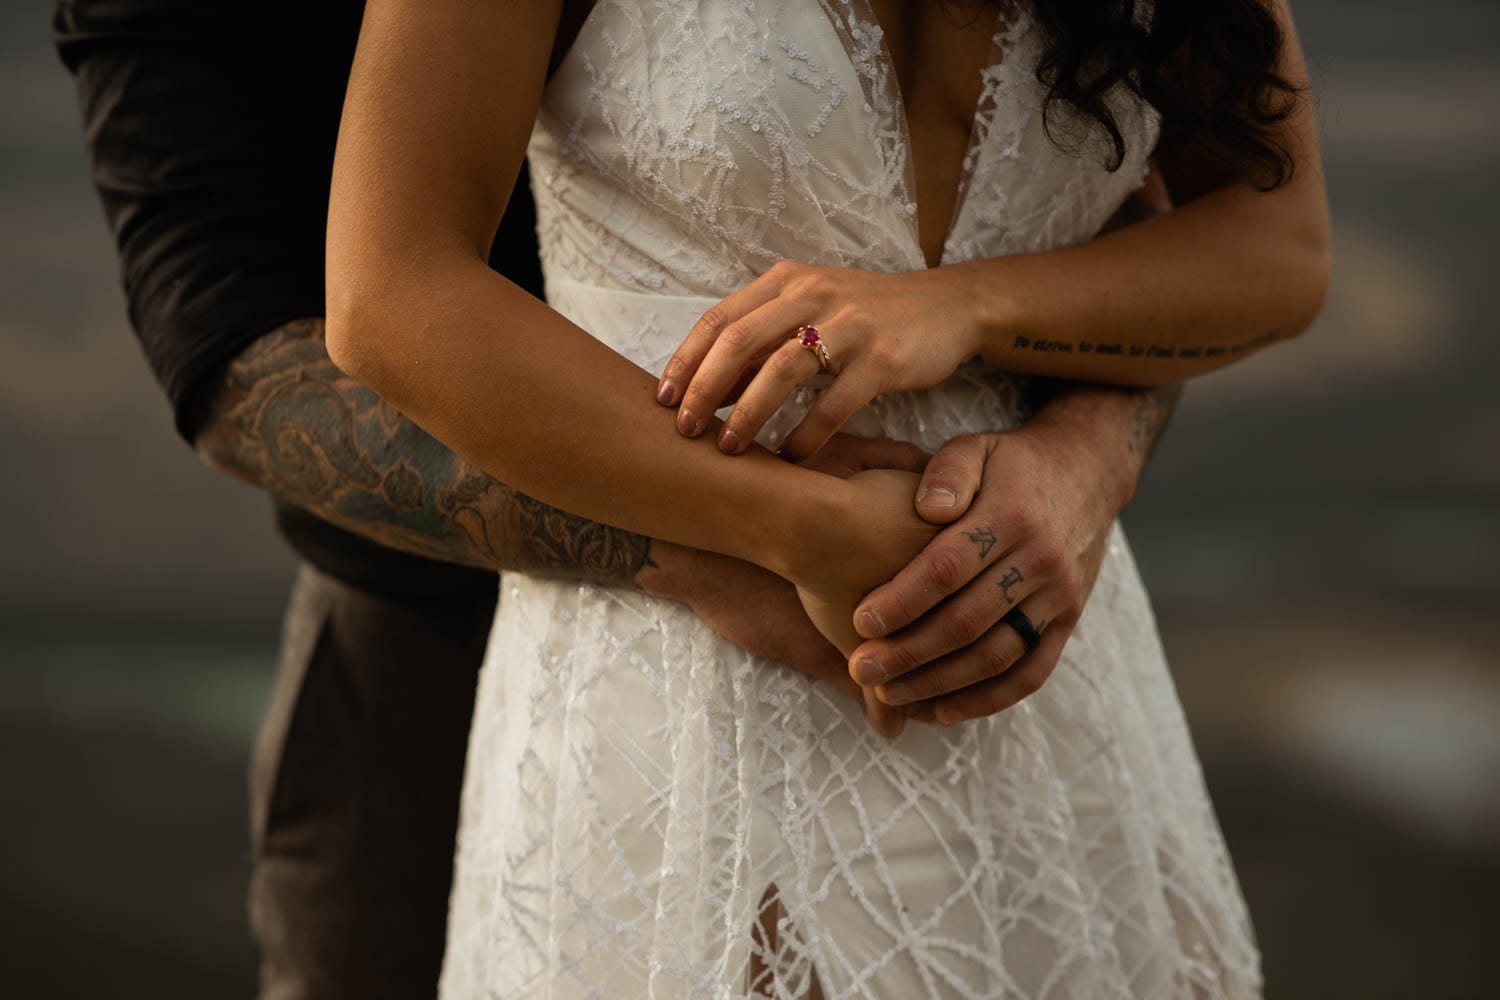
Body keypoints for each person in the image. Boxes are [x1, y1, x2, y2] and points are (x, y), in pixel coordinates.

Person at [53, 1, 1190, 996]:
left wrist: (1090, 456)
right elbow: (232, 355)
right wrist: (718, 537)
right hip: (435, 641)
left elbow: (1137, 207)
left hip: (999, 608)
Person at [329, 0, 1327, 996]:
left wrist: (971, 312)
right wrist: (799, 526)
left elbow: (1280, 243)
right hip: (684, 713)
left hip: (1044, 681)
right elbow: (391, 290)